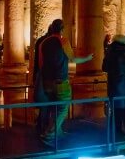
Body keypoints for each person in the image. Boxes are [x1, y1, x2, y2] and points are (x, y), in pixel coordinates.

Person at [35, 18, 92, 146]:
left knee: (53, 107)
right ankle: (49, 134)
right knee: (63, 109)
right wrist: (87, 58)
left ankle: (58, 131)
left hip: (47, 82)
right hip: (61, 81)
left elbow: (41, 64)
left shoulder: (43, 43)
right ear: (62, 29)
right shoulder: (63, 41)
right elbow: (73, 59)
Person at [102, 33, 125, 137]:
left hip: (113, 84)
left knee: (114, 109)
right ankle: (118, 131)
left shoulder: (109, 52)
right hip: (123, 84)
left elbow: (104, 67)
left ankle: (111, 130)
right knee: (121, 109)